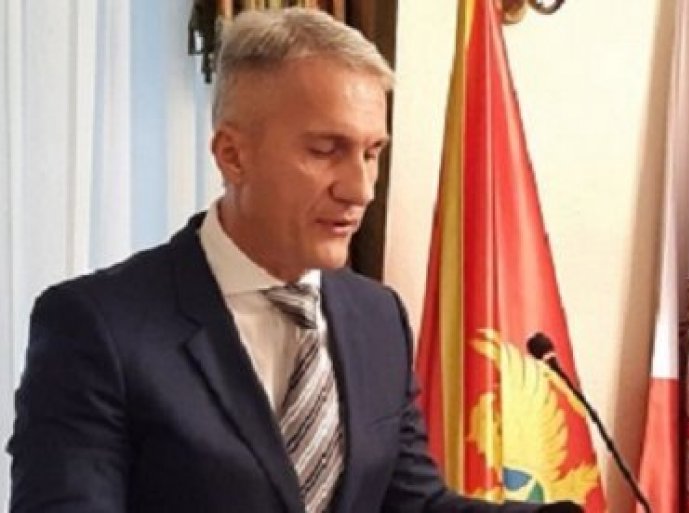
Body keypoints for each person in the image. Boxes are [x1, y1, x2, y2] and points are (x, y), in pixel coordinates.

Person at [7, 7, 583, 513]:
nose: (360, 189)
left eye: (372, 153)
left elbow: (411, 503)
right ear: (233, 155)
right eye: (326, 150)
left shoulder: (377, 316)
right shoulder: (97, 325)